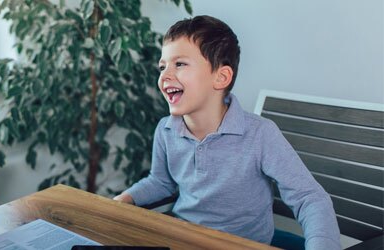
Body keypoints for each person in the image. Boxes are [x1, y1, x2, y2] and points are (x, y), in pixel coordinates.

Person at [113, 15, 341, 249]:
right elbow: (161, 181)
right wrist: (125, 199)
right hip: (182, 239)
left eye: (179, 64)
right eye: (163, 66)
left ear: (221, 77)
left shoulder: (260, 134)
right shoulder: (166, 129)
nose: (165, 76)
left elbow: (310, 199)